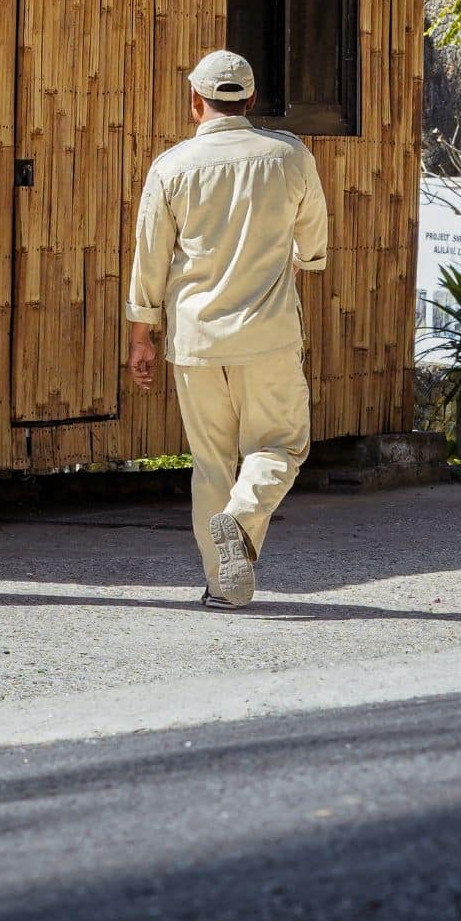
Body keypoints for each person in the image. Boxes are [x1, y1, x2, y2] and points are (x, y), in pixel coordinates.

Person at [125, 48, 330, 608]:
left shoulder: (170, 166)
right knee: (280, 445)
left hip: (193, 338)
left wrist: (142, 330)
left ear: (196, 102)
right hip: (267, 334)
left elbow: (150, 254)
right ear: (252, 99)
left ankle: (226, 587)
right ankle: (240, 518)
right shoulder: (289, 156)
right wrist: (303, 258)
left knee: (211, 462)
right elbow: (313, 242)